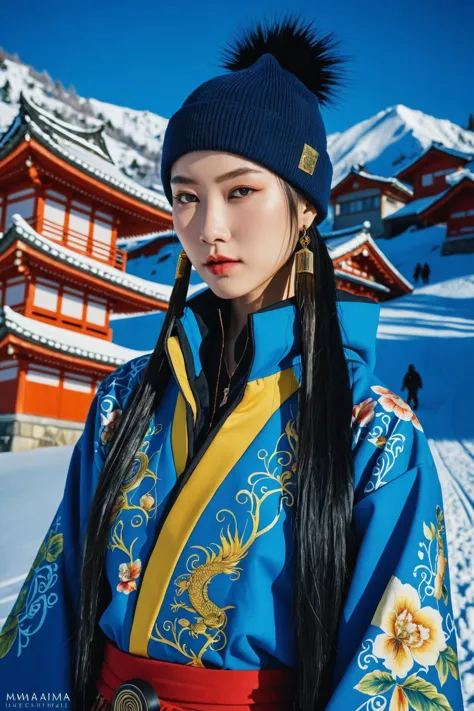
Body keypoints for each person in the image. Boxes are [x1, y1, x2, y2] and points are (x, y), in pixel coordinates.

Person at [0, 15, 464, 711]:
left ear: (305, 207)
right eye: (185, 195)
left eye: (241, 190)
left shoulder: (376, 439)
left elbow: (393, 681)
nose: (207, 226)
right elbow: (52, 608)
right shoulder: (123, 403)